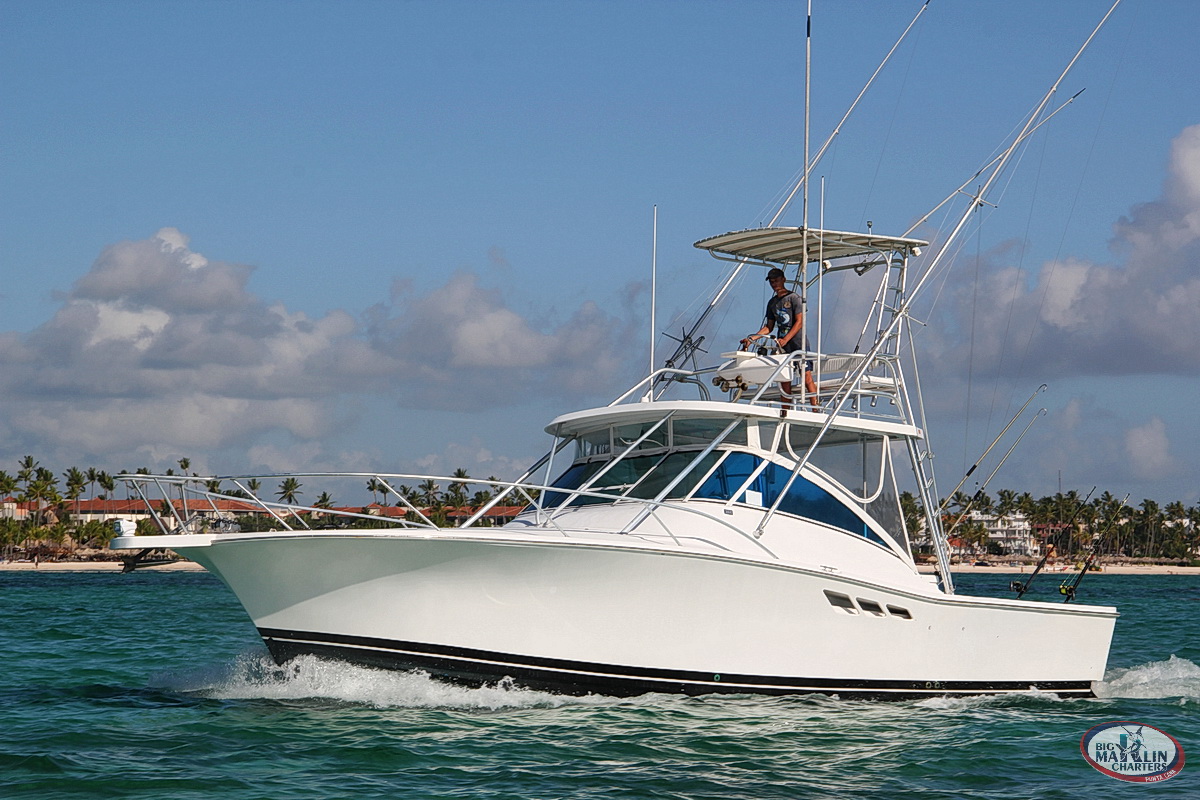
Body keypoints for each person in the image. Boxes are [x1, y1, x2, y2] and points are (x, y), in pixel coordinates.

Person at [740, 267, 818, 410]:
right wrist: (752, 338)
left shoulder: (794, 298)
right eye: (771, 282)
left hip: (797, 342)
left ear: (783, 280)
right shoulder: (772, 303)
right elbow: (769, 327)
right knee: (784, 378)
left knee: (806, 376)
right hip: (782, 345)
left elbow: (799, 322)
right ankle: (785, 410)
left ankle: (816, 408)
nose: (774, 284)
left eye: (776, 281)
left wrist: (786, 339)